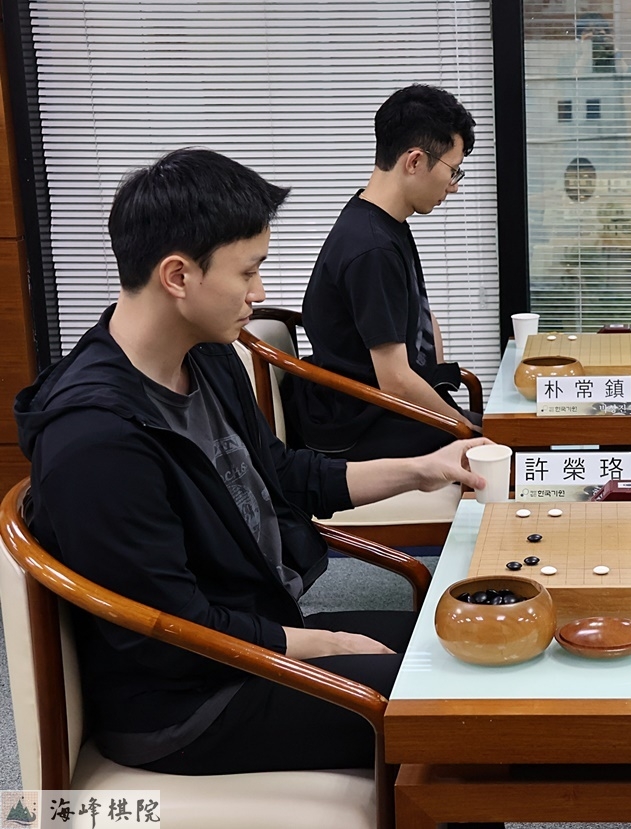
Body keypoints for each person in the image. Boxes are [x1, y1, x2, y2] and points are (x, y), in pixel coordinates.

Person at [14, 148, 490, 775]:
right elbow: (171, 633)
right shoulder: (96, 439)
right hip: (189, 704)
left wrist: (426, 467)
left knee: (475, 643)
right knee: (462, 710)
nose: (259, 294)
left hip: (250, 637)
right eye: (248, 271)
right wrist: (323, 644)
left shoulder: (205, 357)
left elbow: (283, 476)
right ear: (178, 276)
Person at [290, 84, 480, 460]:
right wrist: (461, 426)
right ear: (415, 161)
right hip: (359, 423)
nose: (454, 187)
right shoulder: (371, 247)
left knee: (505, 430)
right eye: (453, 171)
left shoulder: (379, 221)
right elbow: (396, 382)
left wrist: (441, 391)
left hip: (378, 406)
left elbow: (420, 317)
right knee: (504, 444)